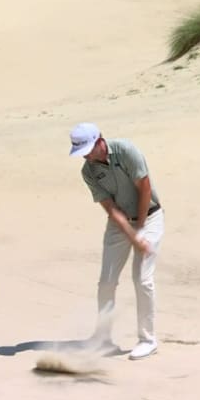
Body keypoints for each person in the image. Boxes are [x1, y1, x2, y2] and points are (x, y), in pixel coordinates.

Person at [69, 122, 165, 360]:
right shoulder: (88, 172)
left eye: (89, 150)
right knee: (106, 282)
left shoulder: (125, 151)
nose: (87, 156)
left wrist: (140, 230)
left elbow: (144, 188)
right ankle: (103, 338)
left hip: (150, 216)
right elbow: (111, 209)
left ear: (100, 140)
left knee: (142, 278)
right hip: (119, 223)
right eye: (83, 153)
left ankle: (147, 339)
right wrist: (131, 234)